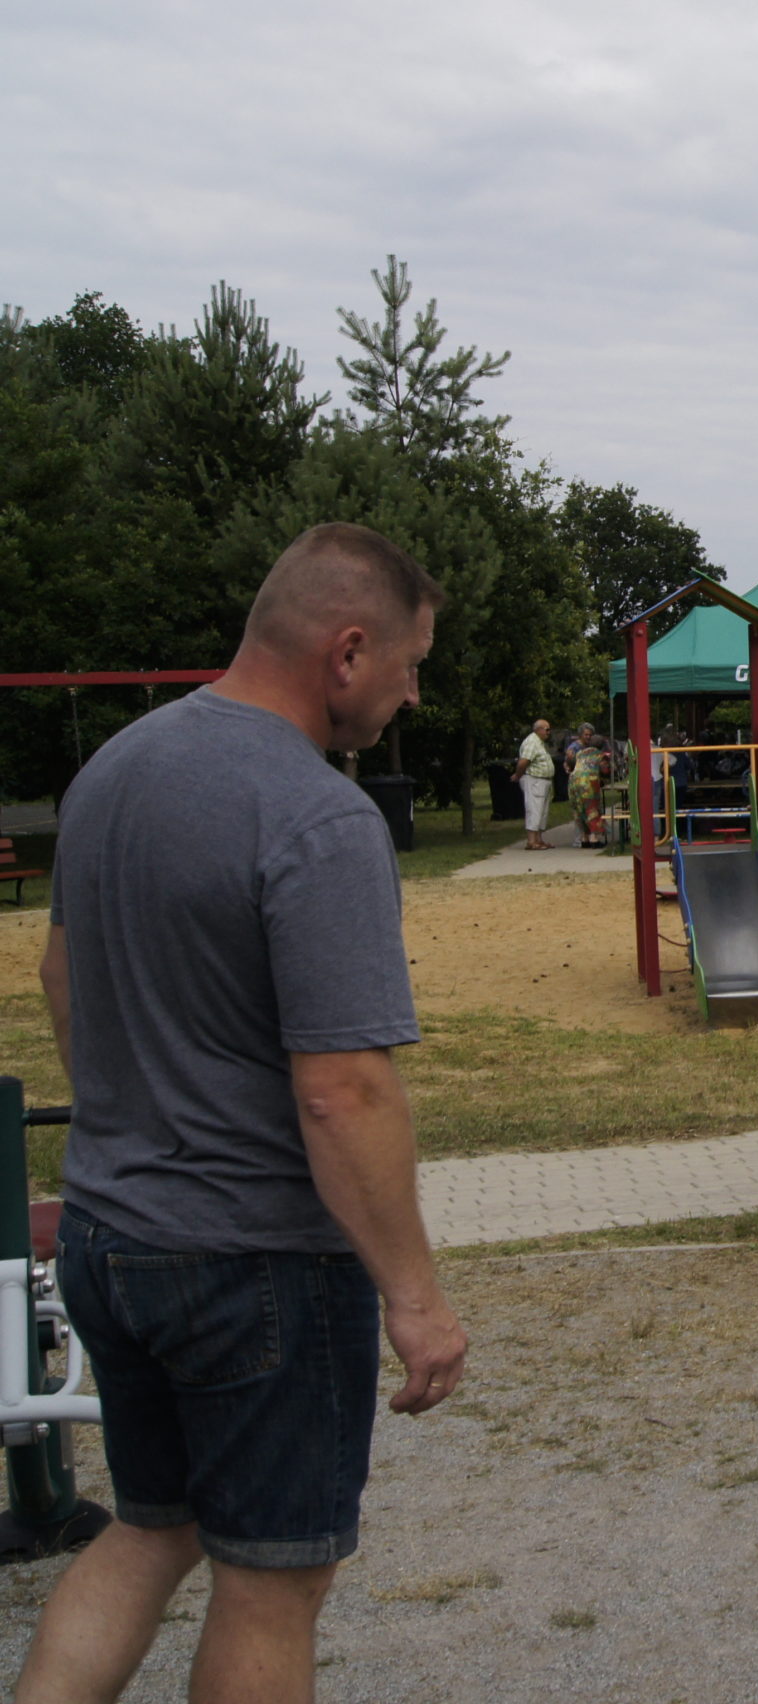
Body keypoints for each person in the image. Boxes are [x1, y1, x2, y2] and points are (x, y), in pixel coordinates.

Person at [17, 523, 467, 1703]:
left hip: (111, 1235)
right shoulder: (318, 816)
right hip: (254, 1261)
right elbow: (343, 1088)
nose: (413, 695)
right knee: (273, 1581)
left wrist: (133, 1123)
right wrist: (416, 1300)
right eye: (411, 665)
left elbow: (60, 976)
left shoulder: (112, 771)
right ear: (348, 651)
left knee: (150, 1530)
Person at [513, 715, 556, 849]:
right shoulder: (532, 742)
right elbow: (523, 762)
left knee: (542, 811)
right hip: (535, 780)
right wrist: (518, 775)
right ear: (538, 729)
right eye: (547, 729)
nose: (549, 732)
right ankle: (531, 841)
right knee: (534, 809)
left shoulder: (539, 742)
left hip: (543, 781)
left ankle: (539, 839)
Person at [568, 728, 615, 848]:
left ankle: (585, 838)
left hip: (573, 783)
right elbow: (605, 770)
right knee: (592, 809)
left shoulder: (580, 753)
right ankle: (594, 839)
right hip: (588, 784)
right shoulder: (600, 755)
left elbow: (571, 764)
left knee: (580, 810)